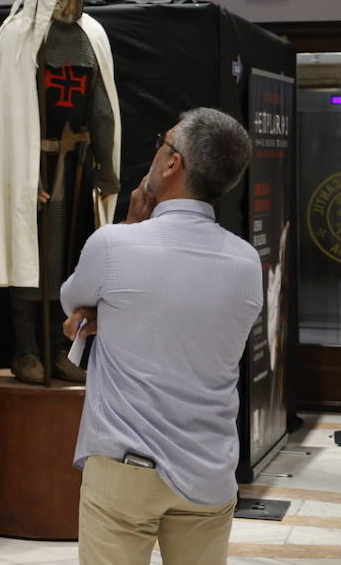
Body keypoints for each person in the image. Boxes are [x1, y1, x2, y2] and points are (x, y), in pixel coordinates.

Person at [61, 108, 260, 565]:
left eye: (162, 143)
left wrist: (132, 223)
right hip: (209, 469)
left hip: (126, 472)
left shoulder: (113, 244)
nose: (156, 153)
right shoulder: (247, 263)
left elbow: (72, 300)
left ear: (173, 164)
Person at [0, 0, 120, 385]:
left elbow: (101, 107)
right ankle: (25, 350)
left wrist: (105, 164)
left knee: (63, 261)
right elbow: (12, 114)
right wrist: (25, 172)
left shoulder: (91, 35)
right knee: (27, 258)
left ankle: (59, 347)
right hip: (32, 165)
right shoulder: (20, 34)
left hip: (73, 166)